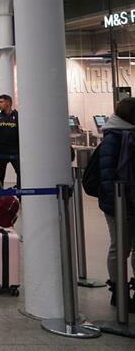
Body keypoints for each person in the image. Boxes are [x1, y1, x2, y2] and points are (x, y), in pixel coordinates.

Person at [96, 97, 135, 309]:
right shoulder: (113, 137)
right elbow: (107, 173)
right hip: (118, 203)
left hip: (129, 200)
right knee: (120, 247)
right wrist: (117, 202)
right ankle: (119, 291)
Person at [0, 94, 21, 188]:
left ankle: (20, 194)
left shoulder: (18, 116)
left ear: (8, 103)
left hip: (15, 152)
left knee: (21, 173)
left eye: (1, 102)